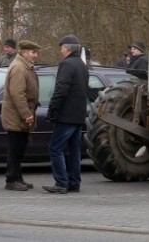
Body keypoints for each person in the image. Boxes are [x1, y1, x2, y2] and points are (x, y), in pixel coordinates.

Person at [43, 35, 89, 194]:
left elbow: (61, 89)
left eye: (62, 49)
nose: (61, 52)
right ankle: (74, 183)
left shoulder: (67, 64)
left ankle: (61, 183)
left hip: (66, 115)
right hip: (78, 115)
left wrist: (52, 109)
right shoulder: (82, 65)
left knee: (55, 148)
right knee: (74, 150)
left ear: (67, 49)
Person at [1, 40, 41, 191]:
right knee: (15, 149)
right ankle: (11, 179)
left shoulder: (25, 66)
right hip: (16, 116)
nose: (36, 56)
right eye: (33, 53)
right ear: (24, 53)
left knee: (19, 149)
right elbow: (17, 94)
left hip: (20, 115)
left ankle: (18, 177)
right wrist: (26, 114)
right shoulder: (19, 68)